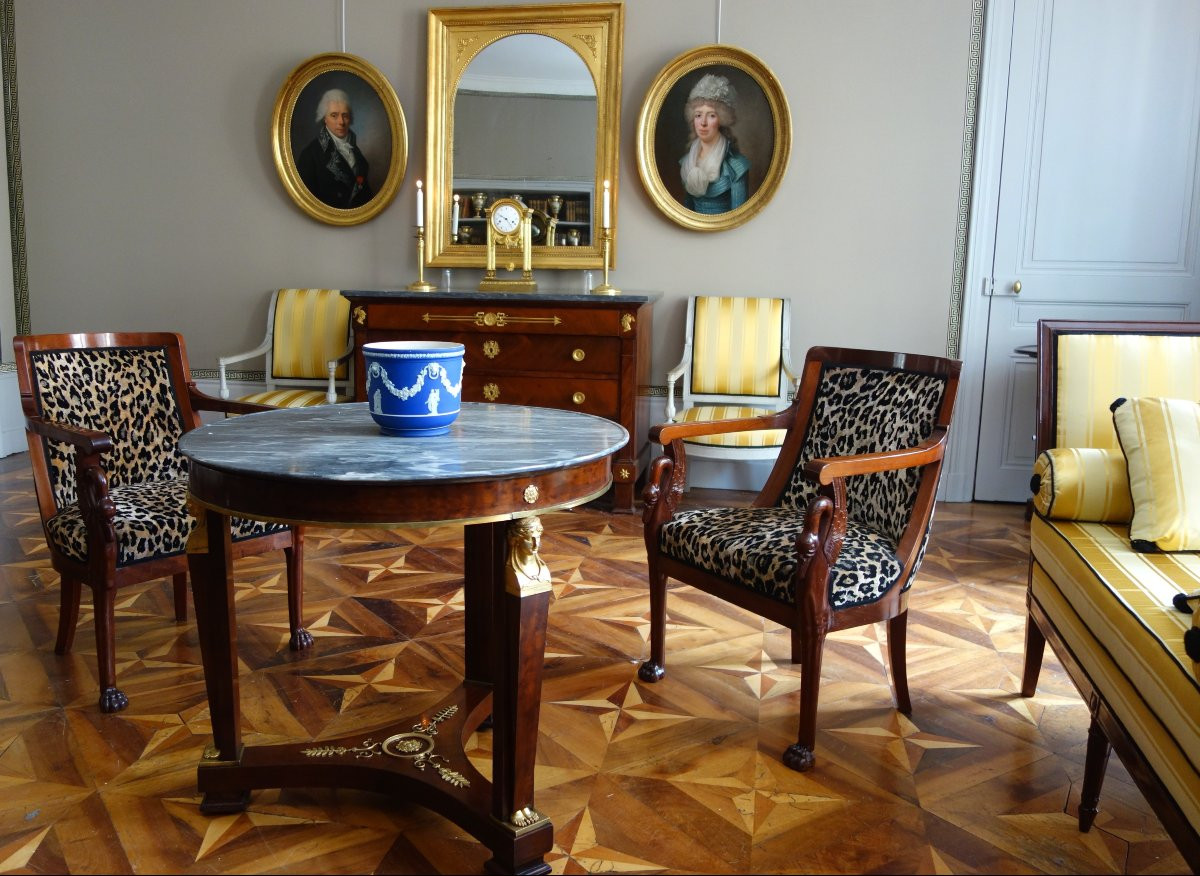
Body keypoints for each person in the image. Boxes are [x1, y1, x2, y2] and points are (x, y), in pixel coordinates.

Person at [678, 73, 750, 214]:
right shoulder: (687, 163)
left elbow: (738, 219)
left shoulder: (736, 167)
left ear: (722, 119)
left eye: (711, 115)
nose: (703, 123)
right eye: (698, 115)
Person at [296, 88, 373, 209]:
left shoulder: (356, 152)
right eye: (334, 115)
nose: (341, 122)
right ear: (324, 118)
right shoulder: (310, 155)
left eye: (345, 115)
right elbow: (306, 202)